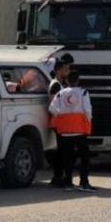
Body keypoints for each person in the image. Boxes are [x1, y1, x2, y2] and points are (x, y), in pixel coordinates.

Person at [48, 70, 96, 192]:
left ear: (67, 81)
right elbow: (88, 110)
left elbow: (52, 108)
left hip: (64, 130)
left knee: (67, 157)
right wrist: (88, 121)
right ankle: (84, 183)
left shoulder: (60, 93)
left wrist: (61, 115)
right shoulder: (83, 92)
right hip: (80, 130)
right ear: (78, 80)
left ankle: (68, 182)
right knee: (84, 157)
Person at [47, 60, 70, 188]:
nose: (67, 71)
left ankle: (60, 175)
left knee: (63, 150)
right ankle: (57, 176)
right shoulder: (55, 85)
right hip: (58, 122)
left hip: (63, 122)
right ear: (59, 70)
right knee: (61, 150)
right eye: (65, 69)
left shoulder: (62, 83)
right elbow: (52, 104)